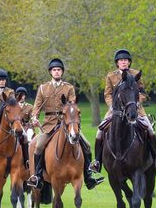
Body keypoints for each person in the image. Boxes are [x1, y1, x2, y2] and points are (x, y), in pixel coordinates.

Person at [27, 59, 103, 190]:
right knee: (38, 146)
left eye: (59, 70)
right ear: (51, 72)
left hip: (66, 123)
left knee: (87, 145)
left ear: (62, 72)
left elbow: (72, 105)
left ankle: (89, 176)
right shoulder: (43, 88)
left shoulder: (69, 87)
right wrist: (34, 117)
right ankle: (37, 177)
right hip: (49, 124)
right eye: (54, 70)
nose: (57, 72)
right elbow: (37, 106)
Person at [90, 49, 156, 173]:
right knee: (99, 131)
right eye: (121, 60)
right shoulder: (111, 76)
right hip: (115, 111)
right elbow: (107, 94)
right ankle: (97, 161)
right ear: (117, 63)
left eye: (125, 60)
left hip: (135, 109)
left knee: (150, 130)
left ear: (129, 62)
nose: (123, 62)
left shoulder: (136, 74)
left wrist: (136, 103)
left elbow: (142, 93)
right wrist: (111, 106)